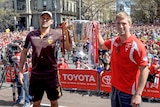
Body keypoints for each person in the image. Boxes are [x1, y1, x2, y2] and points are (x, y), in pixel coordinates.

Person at [18, 11, 70, 107]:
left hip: (51, 74)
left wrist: (66, 32)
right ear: (39, 19)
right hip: (36, 74)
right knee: (36, 103)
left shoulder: (57, 34)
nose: (45, 20)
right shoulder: (31, 35)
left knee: (54, 102)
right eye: (43, 18)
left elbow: (69, 48)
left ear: (51, 21)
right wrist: (20, 71)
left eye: (47, 18)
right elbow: (24, 52)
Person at [98, 11, 149, 107]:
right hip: (115, 89)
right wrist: (96, 31)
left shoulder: (137, 46)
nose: (121, 26)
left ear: (130, 25)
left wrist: (138, 94)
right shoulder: (114, 41)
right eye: (118, 23)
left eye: (124, 23)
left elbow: (145, 70)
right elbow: (101, 45)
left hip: (129, 94)